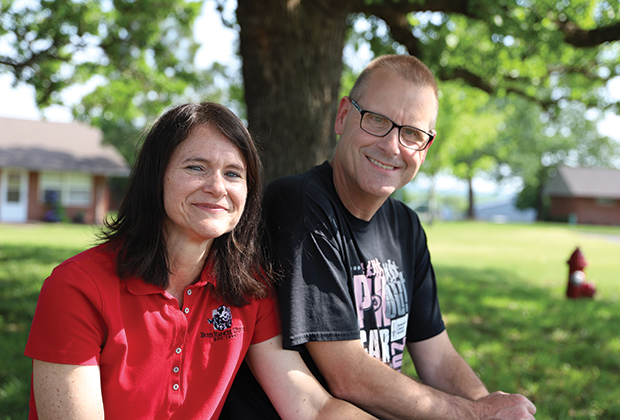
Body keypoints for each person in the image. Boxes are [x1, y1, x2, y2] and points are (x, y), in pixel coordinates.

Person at [221, 55, 537, 419]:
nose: (392, 146)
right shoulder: (300, 207)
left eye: (413, 134)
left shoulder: (406, 227)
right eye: (377, 120)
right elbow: (348, 375)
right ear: (343, 117)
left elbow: (437, 355)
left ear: (425, 149)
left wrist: (486, 405)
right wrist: (475, 415)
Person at [24, 102, 377, 420]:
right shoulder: (76, 288)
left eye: (233, 174)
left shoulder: (249, 289)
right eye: (196, 167)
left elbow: (312, 409)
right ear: (155, 177)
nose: (217, 187)